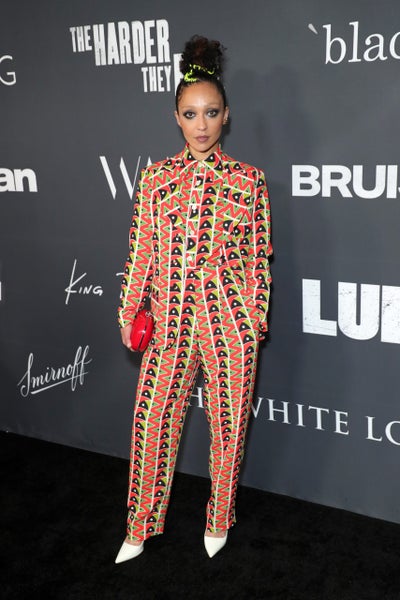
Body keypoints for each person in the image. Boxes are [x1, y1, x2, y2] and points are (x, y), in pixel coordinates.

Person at [115, 35, 272, 563]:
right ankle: (139, 526)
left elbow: (258, 262)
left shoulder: (250, 183)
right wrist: (129, 312)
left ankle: (219, 519)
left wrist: (252, 322)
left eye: (211, 112)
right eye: (190, 113)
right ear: (176, 118)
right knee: (151, 424)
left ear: (226, 115)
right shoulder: (156, 179)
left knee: (228, 431)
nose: (201, 125)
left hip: (229, 325)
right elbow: (141, 252)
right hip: (169, 323)